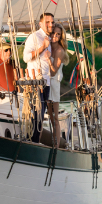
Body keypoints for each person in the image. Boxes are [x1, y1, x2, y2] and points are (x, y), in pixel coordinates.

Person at [22, 13, 67, 144]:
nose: (51, 24)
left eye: (52, 22)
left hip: (46, 83)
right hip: (36, 82)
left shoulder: (49, 39)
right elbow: (26, 58)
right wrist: (42, 47)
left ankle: (35, 142)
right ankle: (32, 142)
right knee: (36, 115)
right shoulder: (34, 37)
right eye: (48, 22)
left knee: (41, 117)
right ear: (40, 23)